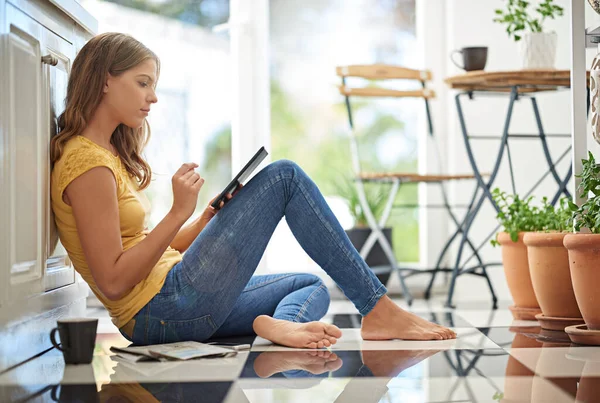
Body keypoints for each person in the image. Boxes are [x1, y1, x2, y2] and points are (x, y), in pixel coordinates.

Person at [50, 32, 456, 348]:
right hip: (160, 310)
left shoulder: (105, 155)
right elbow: (115, 282)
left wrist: (202, 218)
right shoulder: (87, 166)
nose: (152, 96)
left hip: (172, 300)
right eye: (142, 83)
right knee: (285, 177)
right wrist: (176, 212)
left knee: (308, 285)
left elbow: (145, 250)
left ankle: (276, 325)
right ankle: (379, 309)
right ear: (105, 81)